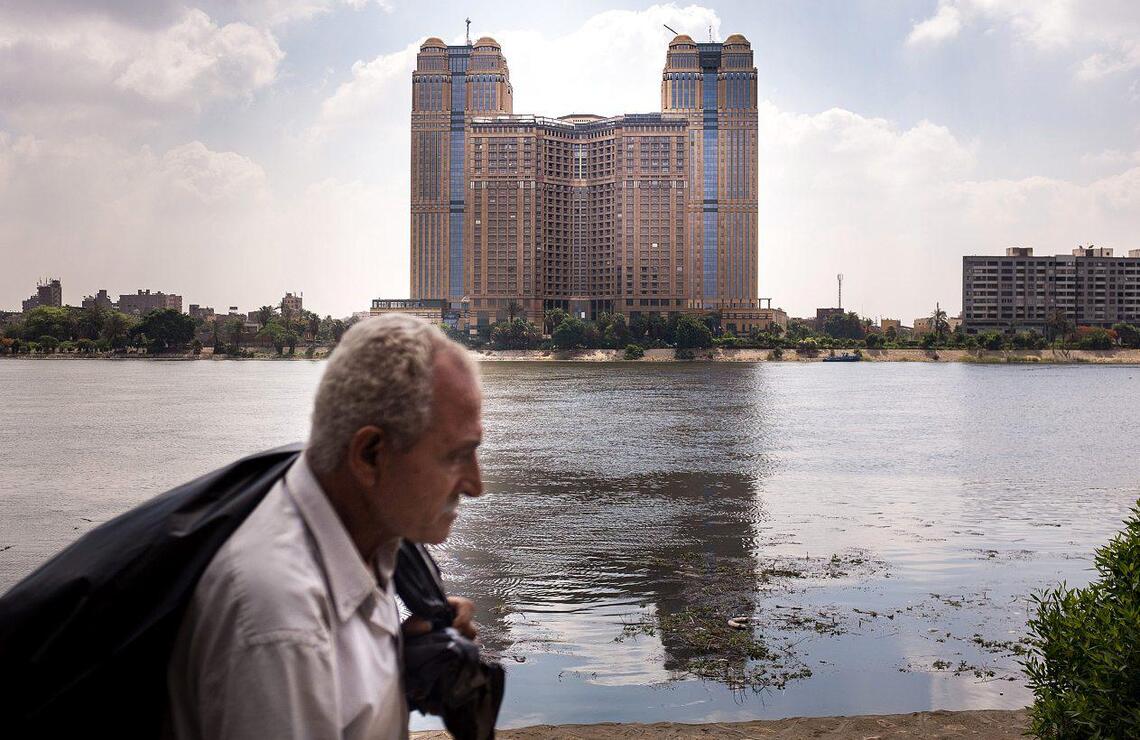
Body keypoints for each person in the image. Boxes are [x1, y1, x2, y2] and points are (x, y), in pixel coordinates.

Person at [165, 314, 485, 739]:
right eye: (456, 455)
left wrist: (394, 670)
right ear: (370, 455)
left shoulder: (365, 543)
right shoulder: (282, 624)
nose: (476, 485)